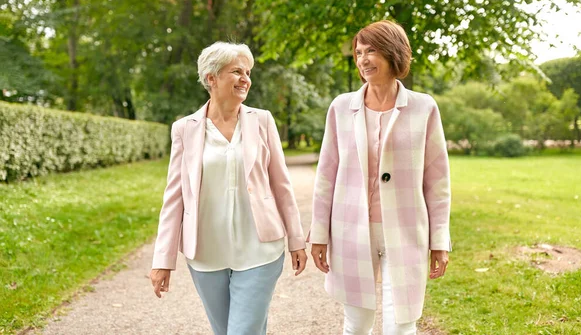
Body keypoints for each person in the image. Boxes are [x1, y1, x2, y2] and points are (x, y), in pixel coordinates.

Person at [150, 41, 307, 335]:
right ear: (211, 78)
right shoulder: (185, 128)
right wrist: (163, 260)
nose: (245, 78)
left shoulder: (262, 120)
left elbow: (281, 185)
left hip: (260, 249)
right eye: (237, 71)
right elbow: (174, 198)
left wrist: (297, 239)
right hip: (207, 254)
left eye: (247, 72)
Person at [308, 20, 451, 335]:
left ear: (393, 52)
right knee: (357, 324)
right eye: (359, 53)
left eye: (371, 50)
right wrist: (319, 233)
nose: (363, 59)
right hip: (350, 230)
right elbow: (326, 175)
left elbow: (438, 182)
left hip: (406, 230)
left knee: (401, 325)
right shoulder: (341, 108)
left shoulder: (424, 108)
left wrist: (439, 240)